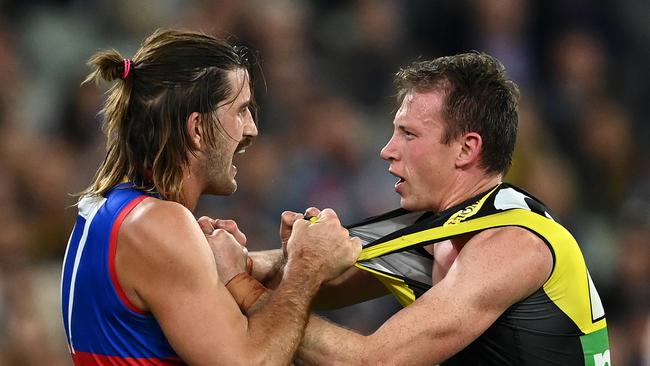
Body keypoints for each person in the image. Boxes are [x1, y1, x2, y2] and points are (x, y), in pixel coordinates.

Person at [228, 52, 611, 365]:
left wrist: (239, 281)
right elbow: (319, 285)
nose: (386, 150)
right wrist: (244, 256)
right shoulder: (444, 225)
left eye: (408, 134)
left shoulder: (512, 244)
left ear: (466, 149)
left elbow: (370, 361)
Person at [60, 29, 361, 365]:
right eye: (241, 110)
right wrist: (305, 266)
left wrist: (279, 260)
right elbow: (253, 362)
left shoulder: (119, 211)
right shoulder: (157, 224)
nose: (251, 129)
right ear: (198, 129)